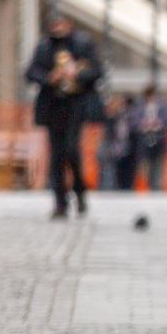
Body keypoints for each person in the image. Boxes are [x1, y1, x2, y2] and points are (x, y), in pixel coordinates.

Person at [25, 15, 104, 219]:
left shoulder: (83, 44)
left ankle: (79, 190)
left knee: (71, 149)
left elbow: (97, 71)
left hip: (75, 104)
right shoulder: (44, 47)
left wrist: (76, 74)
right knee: (57, 155)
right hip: (53, 106)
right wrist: (50, 77)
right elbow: (31, 72)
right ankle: (60, 202)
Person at [134, 85, 167, 192]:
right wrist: (144, 125)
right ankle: (147, 184)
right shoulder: (141, 107)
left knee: (158, 163)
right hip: (145, 137)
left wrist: (158, 124)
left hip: (159, 137)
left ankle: (157, 185)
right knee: (146, 163)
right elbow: (135, 121)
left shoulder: (163, 106)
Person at [96, 94, 130, 191]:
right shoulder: (103, 117)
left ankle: (109, 188)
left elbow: (121, 132)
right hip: (104, 143)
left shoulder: (118, 118)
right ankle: (103, 187)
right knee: (103, 167)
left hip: (112, 143)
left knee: (110, 167)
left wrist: (119, 145)